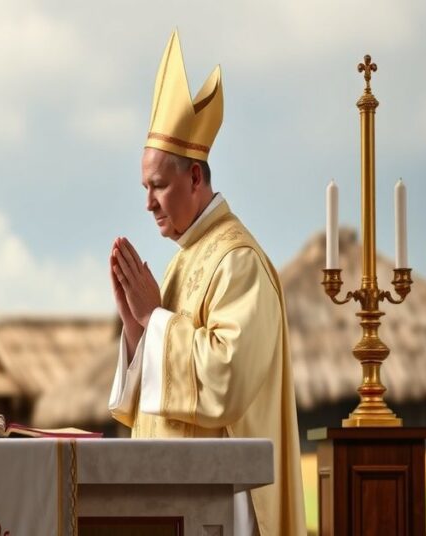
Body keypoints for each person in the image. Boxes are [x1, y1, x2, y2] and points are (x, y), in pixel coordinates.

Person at [107, 31, 305, 535]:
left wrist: (155, 320)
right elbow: (153, 392)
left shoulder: (239, 262)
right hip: (174, 499)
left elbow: (226, 381)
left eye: (159, 186)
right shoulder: (183, 261)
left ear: (195, 178)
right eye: (144, 188)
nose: (148, 202)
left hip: (222, 504)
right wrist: (136, 334)